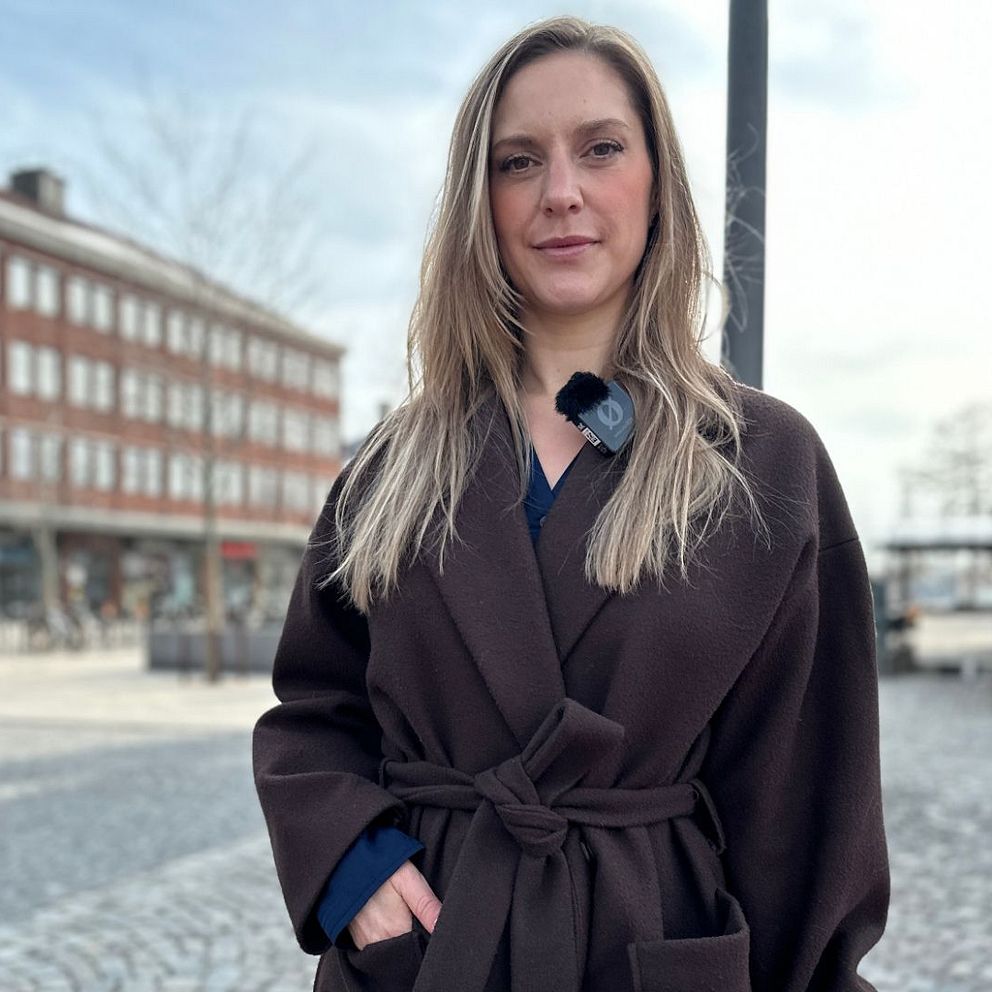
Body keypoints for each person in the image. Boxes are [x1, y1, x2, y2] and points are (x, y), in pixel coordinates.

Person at [253, 15, 890, 992]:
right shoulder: (391, 469)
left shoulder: (763, 462)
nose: (560, 191)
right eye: (518, 161)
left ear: (656, 184)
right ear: (479, 202)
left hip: (652, 945)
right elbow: (313, 708)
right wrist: (352, 866)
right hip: (432, 952)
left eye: (600, 148)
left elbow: (809, 802)